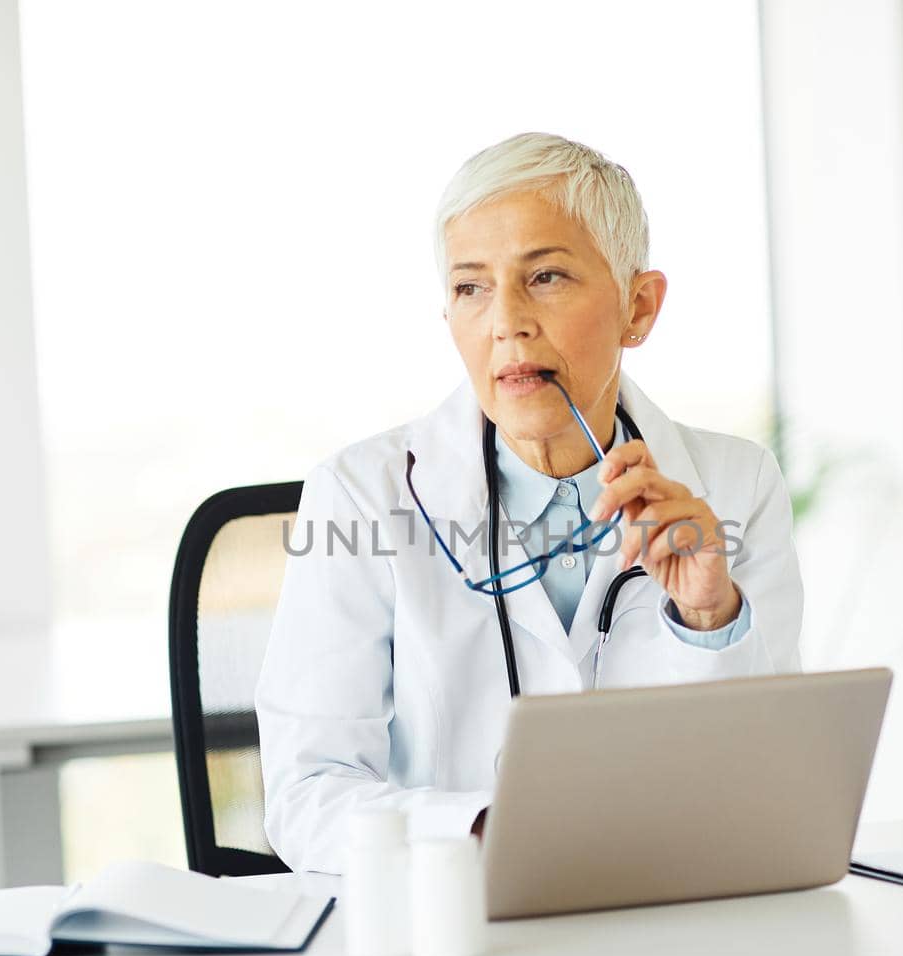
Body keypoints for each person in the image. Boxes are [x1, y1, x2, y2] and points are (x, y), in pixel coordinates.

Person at [255, 132, 803, 873]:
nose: (505, 320)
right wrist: (497, 828)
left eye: (544, 276)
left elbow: (770, 789)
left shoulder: (737, 486)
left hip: (666, 931)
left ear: (638, 307)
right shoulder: (358, 496)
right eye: (470, 287)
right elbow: (308, 795)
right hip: (452, 934)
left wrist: (711, 618)